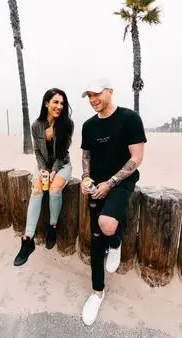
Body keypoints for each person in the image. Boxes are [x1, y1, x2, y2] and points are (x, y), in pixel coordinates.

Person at [80, 78, 147, 326]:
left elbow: (136, 158)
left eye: (96, 93)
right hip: (96, 184)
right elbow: (86, 155)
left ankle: (116, 242)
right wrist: (86, 178)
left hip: (122, 181)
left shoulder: (129, 118)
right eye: (89, 95)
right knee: (95, 237)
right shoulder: (88, 125)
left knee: (107, 225)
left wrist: (111, 183)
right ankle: (97, 293)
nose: (93, 99)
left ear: (110, 91)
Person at [14, 88, 74, 266]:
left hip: (62, 165)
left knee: (54, 189)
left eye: (62, 103)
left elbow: (62, 154)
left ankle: (52, 227)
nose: (59, 106)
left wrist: (54, 171)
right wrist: (42, 169)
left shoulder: (67, 125)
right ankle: (27, 239)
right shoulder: (36, 125)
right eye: (55, 102)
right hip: (44, 166)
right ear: (46, 103)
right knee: (37, 190)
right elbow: (38, 152)